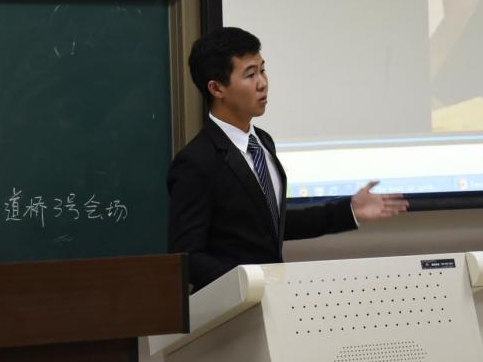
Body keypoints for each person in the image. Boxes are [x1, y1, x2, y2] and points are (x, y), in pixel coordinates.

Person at [168, 27, 408, 291]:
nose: (262, 83)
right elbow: (188, 257)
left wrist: (349, 210)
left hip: (272, 300)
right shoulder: (196, 161)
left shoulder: (263, 142)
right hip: (233, 306)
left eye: (263, 70)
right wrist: (252, 281)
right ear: (216, 88)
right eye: (250, 74)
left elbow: (270, 224)